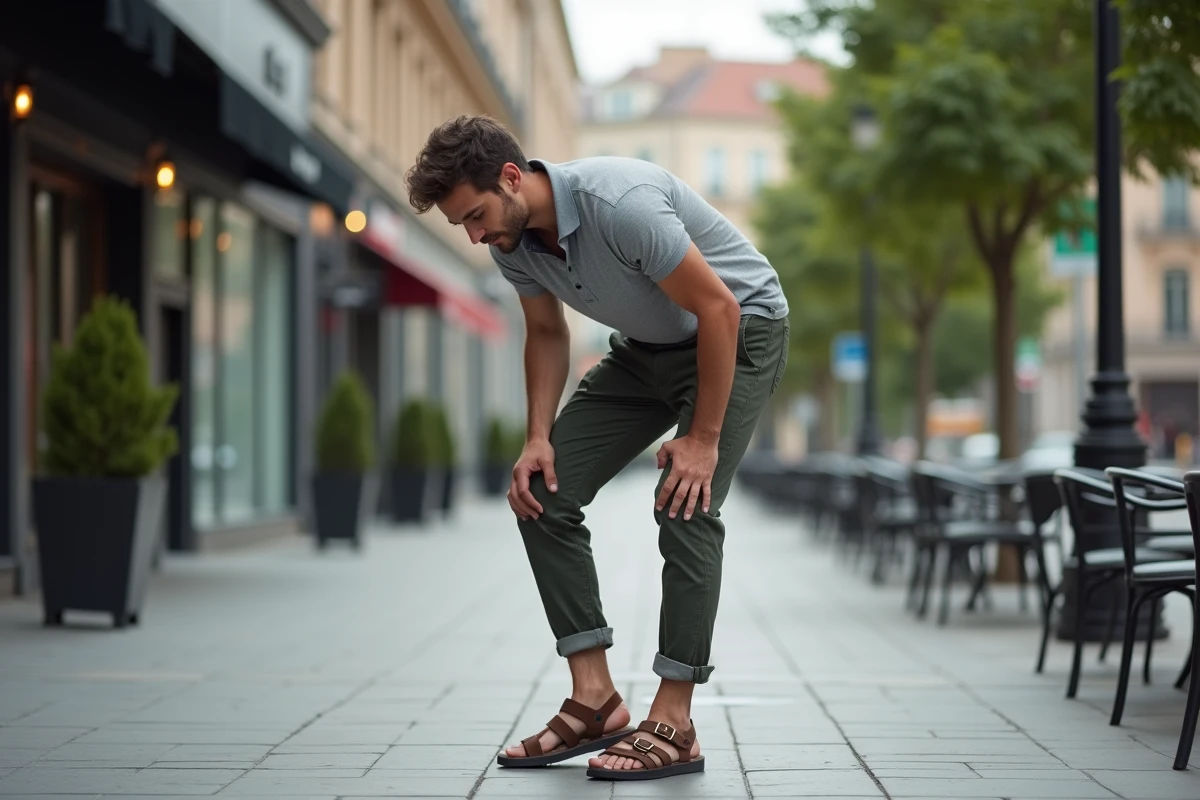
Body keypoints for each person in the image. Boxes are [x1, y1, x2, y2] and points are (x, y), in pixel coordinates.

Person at [404, 115, 789, 782]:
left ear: (511, 178)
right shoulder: (512, 242)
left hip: (738, 331)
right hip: (648, 353)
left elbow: (720, 309)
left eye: (475, 216)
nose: (474, 236)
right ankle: (595, 700)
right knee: (542, 494)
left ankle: (674, 720)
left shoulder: (620, 205)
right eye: (460, 226)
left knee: (685, 502)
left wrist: (700, 438)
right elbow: (547, 335)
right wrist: (536, 439)